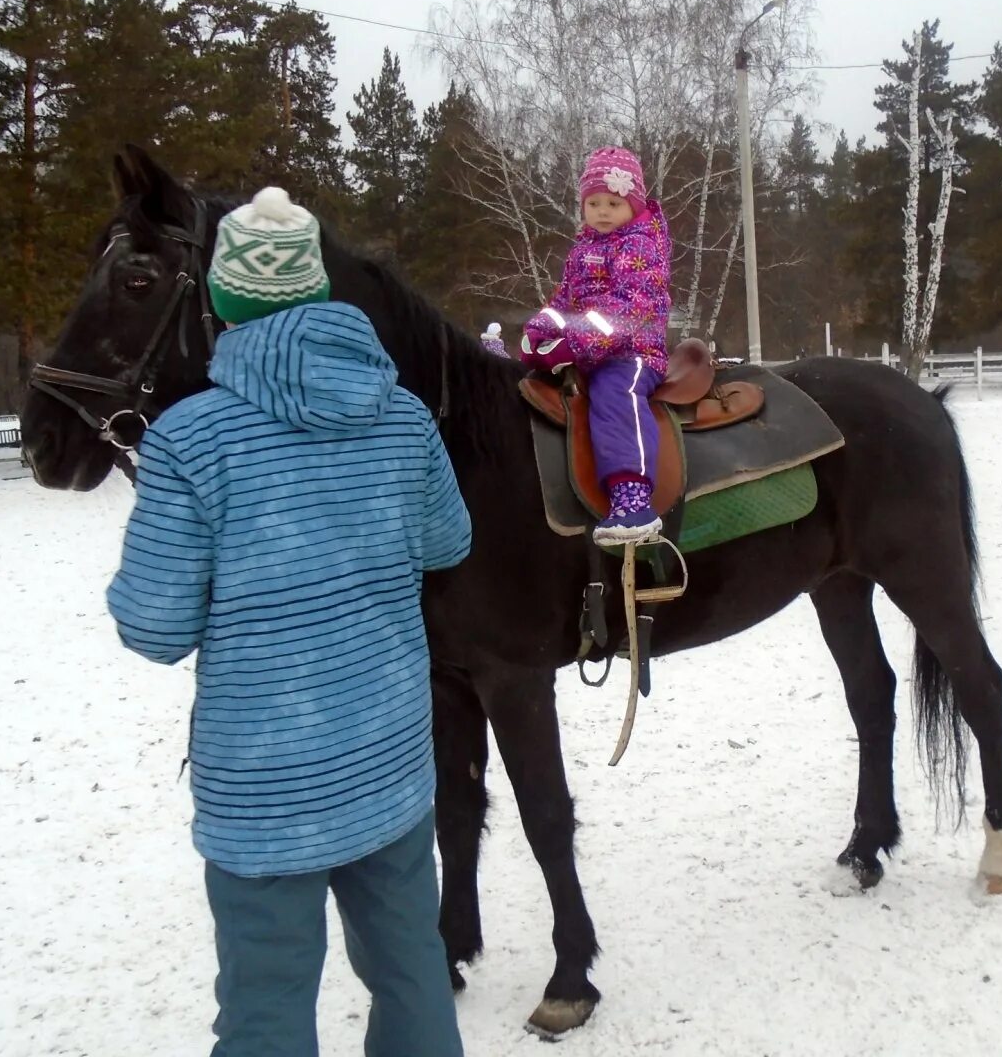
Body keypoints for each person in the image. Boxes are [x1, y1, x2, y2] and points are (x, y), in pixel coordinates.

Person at [106, 186, 471, 1057]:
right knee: (412, 972)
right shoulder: (404, 414)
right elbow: (446, 543)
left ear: (223, 299)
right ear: (315, 291)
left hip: (263, 793)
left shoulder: (191, 440)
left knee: (265, 1004)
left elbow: (153, 627)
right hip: (388, 758)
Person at [520, 146, 671, 544]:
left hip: (632, 352)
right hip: (589, 351)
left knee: (615, 395)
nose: (602, 211)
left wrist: (573, 344)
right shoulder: (582, 250)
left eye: (614, 202)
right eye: (593, 202)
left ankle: (633, 496)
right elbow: (562, 302)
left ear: (633, 205)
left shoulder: (640, 245)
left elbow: (631, 306)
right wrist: (538, 332)